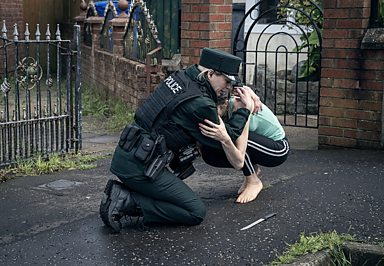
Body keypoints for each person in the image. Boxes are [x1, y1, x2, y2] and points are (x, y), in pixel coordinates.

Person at [99, 47, 261, 233]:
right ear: (210, 73)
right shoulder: (199, 103)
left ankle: (131, 196)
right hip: (140, 166)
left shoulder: (182, 76)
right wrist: (245, 110)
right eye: (226, 81)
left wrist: (243, 92)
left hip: (131, 154)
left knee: (177, 198)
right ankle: (126, 201)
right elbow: (228, 138)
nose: (228, 88)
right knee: (194, 211)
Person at [199, 91, 290, 203]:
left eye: (214, 111)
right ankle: (253, 170)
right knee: (210, 153)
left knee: (233, 142)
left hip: (278, 149)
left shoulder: (241, 106)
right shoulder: (227, 107)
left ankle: (253, 181)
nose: (212, 116)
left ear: (225, 104)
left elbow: (239, 152)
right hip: (258, 144)